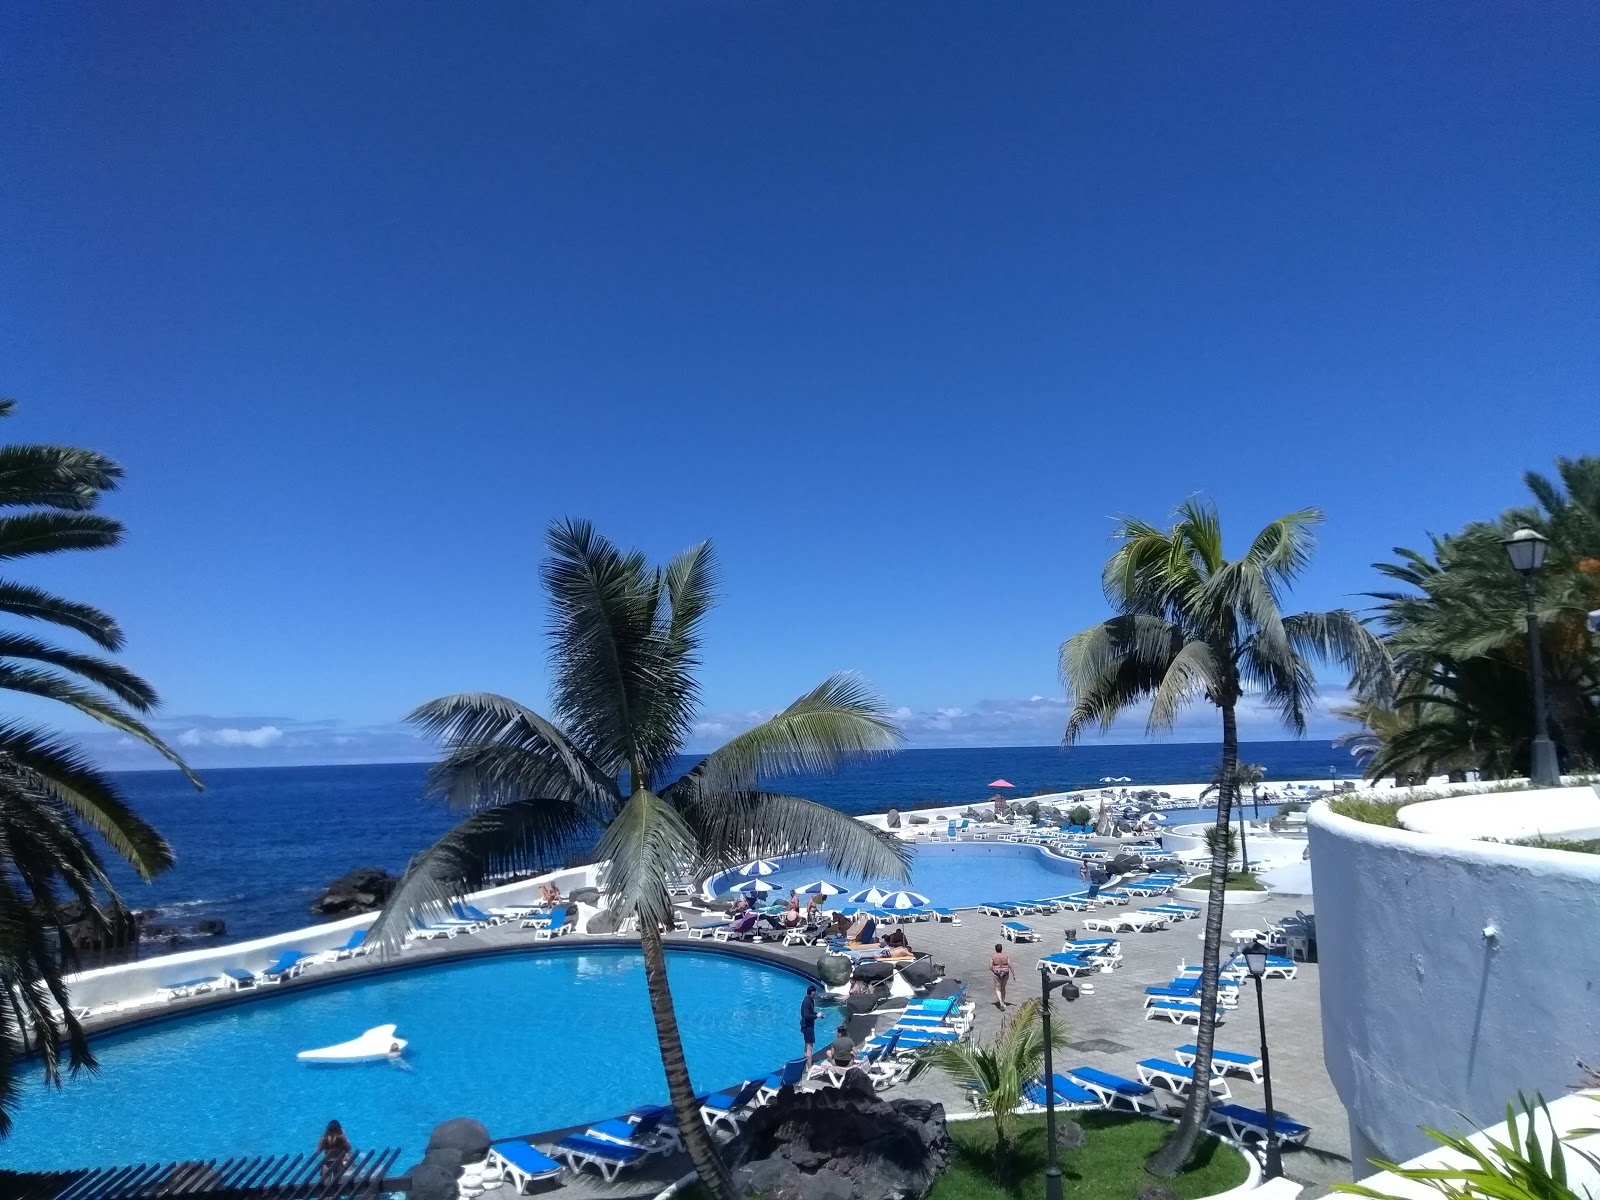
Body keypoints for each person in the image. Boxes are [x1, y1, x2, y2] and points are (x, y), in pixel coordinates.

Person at [799, 985, 818, 1070]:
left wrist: (816, 1014)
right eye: (813, 994)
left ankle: (804, 1064)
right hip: (807, 1027)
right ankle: (809, 1068)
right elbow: (806, 1015)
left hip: (808, 1026)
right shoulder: (807, 1001)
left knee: (807, 1045)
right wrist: (816, 1016)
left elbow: (810, 1012)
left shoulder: (810, 1000)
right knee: (809, 1047)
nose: (814, 996)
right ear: (810, 993)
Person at [990, 943, 1013, 1008]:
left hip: (997, 972)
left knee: (997, 988)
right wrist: (1013, 974)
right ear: (1001, 949)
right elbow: (1010, 965)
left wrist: (994, 971)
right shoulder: (1006, 956)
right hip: (1005, 972)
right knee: (1003, 988)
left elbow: (990, 966)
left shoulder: (993, 956)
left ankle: (1001, 1002)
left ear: (996, 949)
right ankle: (1003, 1001)